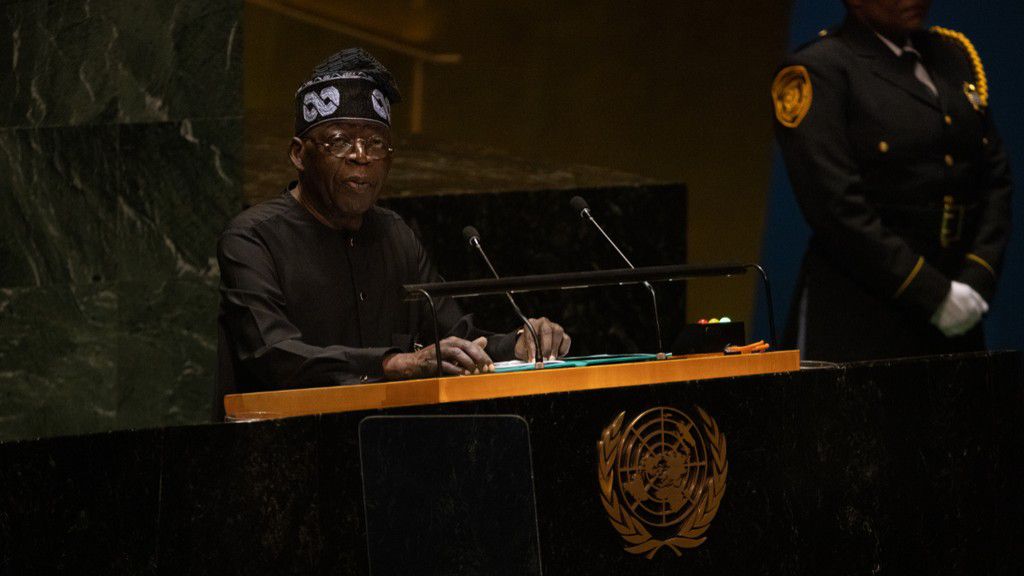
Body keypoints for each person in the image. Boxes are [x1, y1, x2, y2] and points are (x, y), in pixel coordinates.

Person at [217, 48, 570, 392]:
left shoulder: (395, 235)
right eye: (339, 142)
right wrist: (391, 364)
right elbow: (273, 353)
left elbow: (455, 340)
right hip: (285, 443)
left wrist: (520, 344)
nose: (361, 157)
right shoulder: (252, 238)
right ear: (299, 154)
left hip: (384, 438)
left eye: (375, 144)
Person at [772, 0, 1013, 362]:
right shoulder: (820, 69)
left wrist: (976, 278)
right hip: (864, 312)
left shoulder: (952, 55)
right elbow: (836, 207)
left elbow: (994, 176)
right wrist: (932, 294)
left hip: (960, 304)